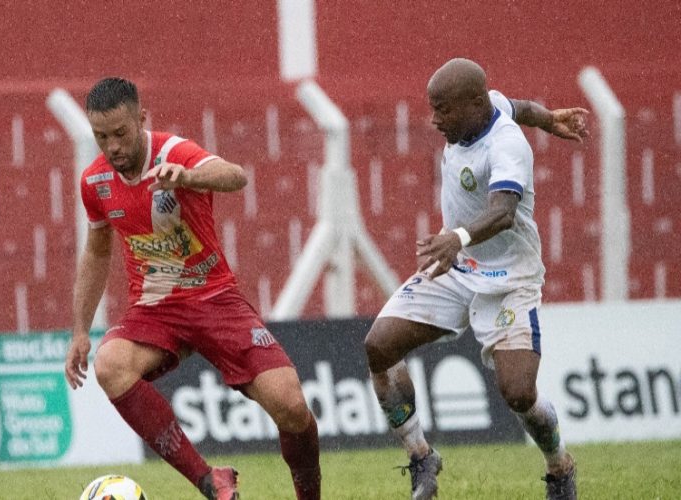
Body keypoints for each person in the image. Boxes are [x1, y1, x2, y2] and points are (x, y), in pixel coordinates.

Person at [64, 77, 321, 500]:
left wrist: (187, 176)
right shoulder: (95, 182)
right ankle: (209, 480)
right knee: (111, 364)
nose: (112, 147)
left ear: (142, 120)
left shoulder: (173, 153)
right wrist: (79, 330)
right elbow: (96, 253)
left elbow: (234, 176)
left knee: (291, 407)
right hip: (154, 309)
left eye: (120, 134)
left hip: (215, 299)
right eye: (101, 137)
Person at [363, 58, 587, 500]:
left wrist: (457, 237)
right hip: (459, 268)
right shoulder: (491, 108)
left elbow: (503, 211)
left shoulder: (506, 147)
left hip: (508, 280)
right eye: (433, 108)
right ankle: (421, 456)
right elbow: (516, 105)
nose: (434, 120)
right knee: (378, 346)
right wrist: (549, 119)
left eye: (442, 109)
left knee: (520, 394)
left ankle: (560, 465)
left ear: (473, 104)